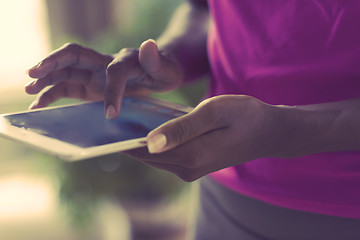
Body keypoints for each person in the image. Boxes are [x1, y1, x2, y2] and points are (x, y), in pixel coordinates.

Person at [25, 0, 360, 239]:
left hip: (344, 211)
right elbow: (204, 8)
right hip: (223, 197)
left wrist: (282, 130)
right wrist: (168, 58)